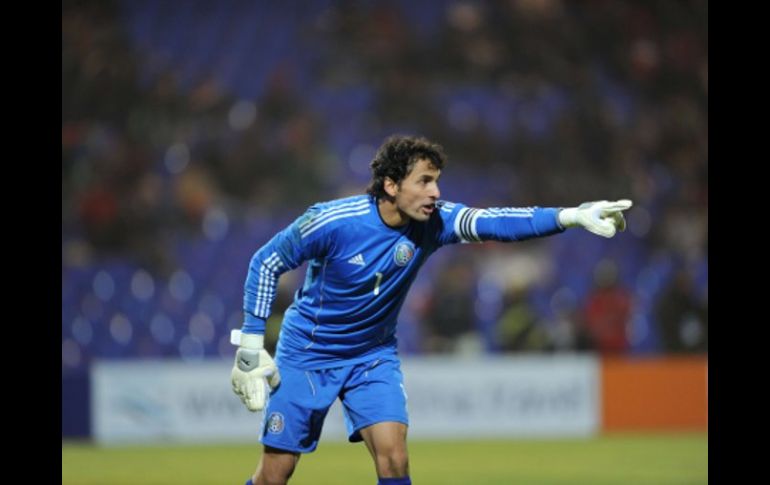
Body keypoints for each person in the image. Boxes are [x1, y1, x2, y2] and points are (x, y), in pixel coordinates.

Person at [230, 135, 632, 485]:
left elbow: (495, 222)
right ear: (391, 184)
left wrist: (571, 216)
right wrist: (250, 345)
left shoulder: (435, 222)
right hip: (308, 354)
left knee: (394, 457)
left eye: (436, 181)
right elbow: (266, 262)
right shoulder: (333, 221)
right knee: (275, 475)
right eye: (424, 181)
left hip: (371, 356)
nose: (435, 192)